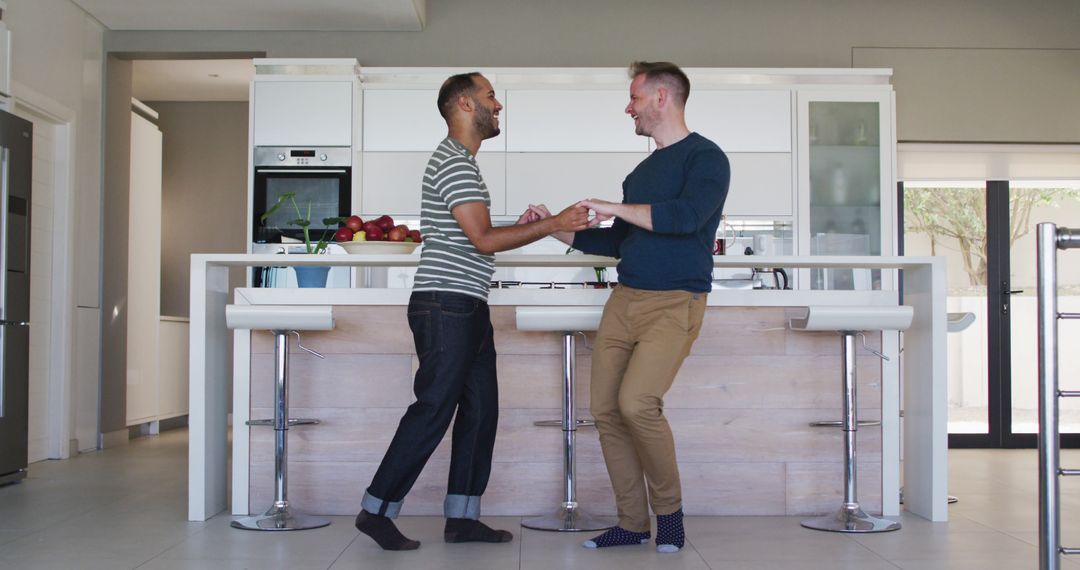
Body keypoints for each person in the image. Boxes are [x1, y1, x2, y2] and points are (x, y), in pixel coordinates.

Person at [353, 72, 593, 551]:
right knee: (435, 407)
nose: (498, 105)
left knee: (481, 410)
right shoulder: (455, 163)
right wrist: (553, 224)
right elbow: (484, 240)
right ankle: (376, 509)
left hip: (466, 305)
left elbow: (478, 234)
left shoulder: (462, 163)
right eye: (490, 97)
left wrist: (527, 227)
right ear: (464, 104)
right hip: (446, 306)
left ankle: (462, 517)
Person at [538, 61, 730, 553]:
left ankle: (670, 518)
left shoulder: (706, 159)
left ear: (661, 98)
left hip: (675, 302)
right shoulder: (641, 171)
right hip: (624, 300)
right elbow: (618, 242)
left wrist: (613, 206)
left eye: (634, 98)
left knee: (637, 404)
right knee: (604, 409)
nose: (629, 107)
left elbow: (686, 219)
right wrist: (553, 226)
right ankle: (631, 521)